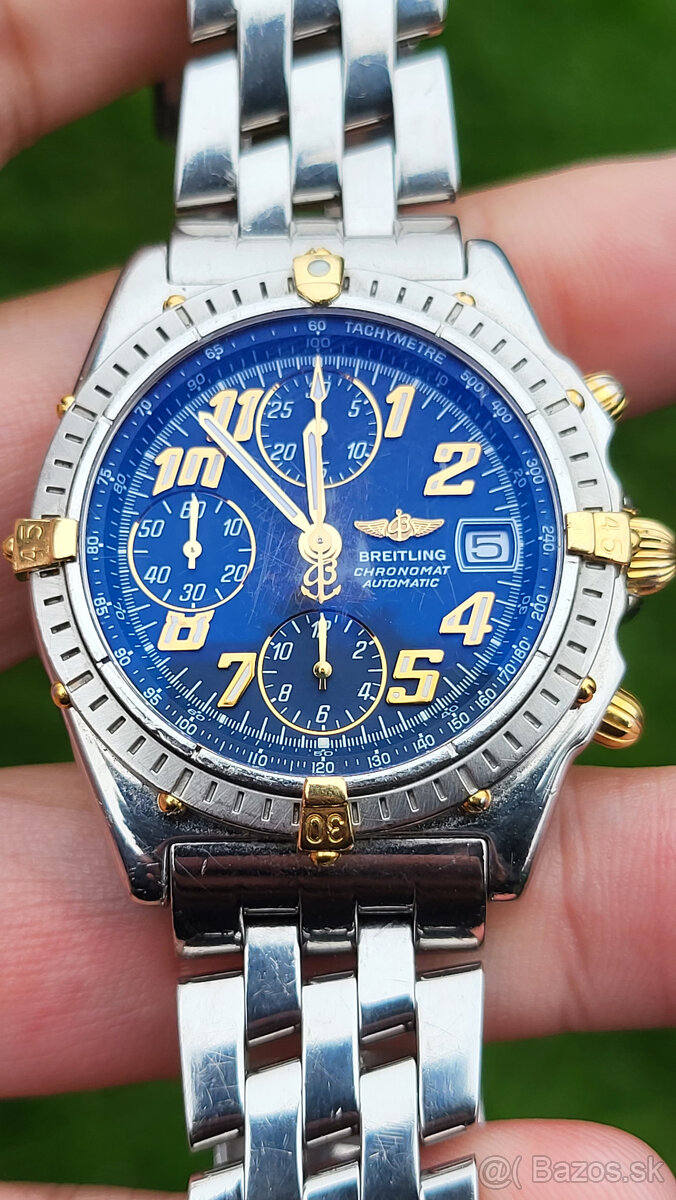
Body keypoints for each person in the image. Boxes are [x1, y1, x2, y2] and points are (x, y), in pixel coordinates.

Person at [0, 4, 674, 1197]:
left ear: (621, 552)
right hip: (234, 791)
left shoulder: (446, 306)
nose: (322, 550)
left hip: (398, 797)